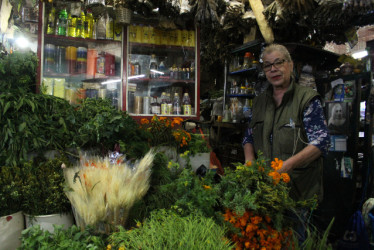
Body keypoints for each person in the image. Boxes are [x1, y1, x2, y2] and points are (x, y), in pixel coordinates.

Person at [242, 43, 330, 242]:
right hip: (267, 192)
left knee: (296, 242)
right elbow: (249, 136)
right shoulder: (260, 102)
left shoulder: (306, 99)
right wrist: (249, 161)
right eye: (267, 65)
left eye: (278, 63)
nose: (273, 69)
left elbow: (321, 142)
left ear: (290, 65)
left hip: (299, 193)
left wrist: (287, 166)